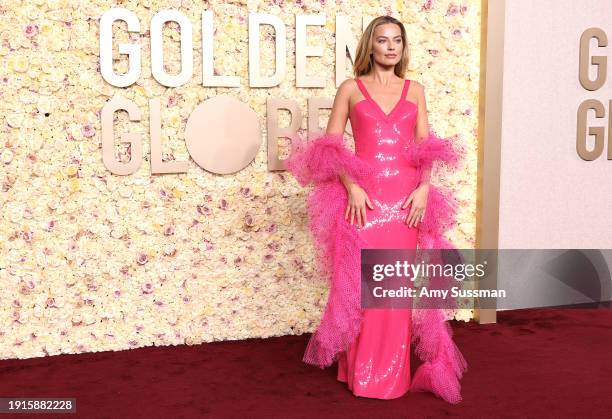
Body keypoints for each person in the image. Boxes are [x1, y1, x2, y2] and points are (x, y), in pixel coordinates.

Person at [284, 16, 468, 403]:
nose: (390, 47)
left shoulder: (414, 90)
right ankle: (358, 370)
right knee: (361, 285)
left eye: (397, 41)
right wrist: (351, 188)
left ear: (403, 47)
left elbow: (425, 147)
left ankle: (390, 375)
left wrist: (423, 189)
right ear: (370, 46)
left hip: (405, 203)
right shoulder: (351, 89)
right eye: (383, 40)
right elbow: (330, 147)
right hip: (365, 202)